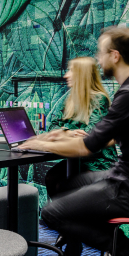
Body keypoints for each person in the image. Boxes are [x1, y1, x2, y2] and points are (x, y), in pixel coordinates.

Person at [18, 26, 129, 256]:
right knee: (65, 183)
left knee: (51, 212)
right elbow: (106, 138)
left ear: (114, 55)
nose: (98, 60)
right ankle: (112, 247)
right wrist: (52, 138)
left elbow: (88, 146)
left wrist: (40, 142)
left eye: (100, 53)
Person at [38, 57, 117, 199]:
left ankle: (70, 218)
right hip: (78, 160)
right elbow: (53, 127)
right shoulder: (70, 98)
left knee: (65, 184)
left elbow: (90, 135)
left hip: (97, 162)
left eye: (71, 71)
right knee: (51, 178)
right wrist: (68, 132)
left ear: (82, 75)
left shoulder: (99, 99)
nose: (66, 75)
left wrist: (64, 132)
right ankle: (61, 219)